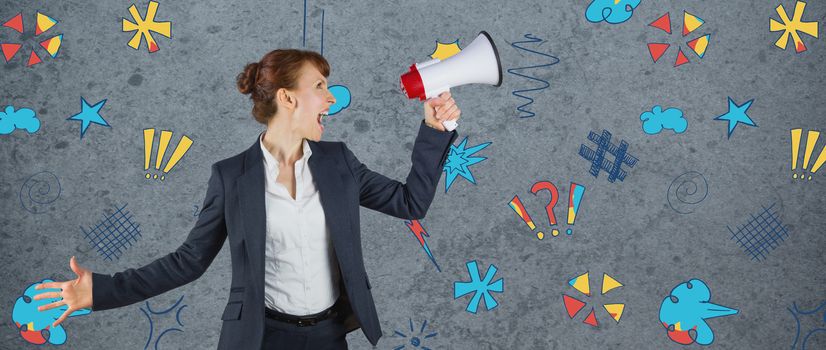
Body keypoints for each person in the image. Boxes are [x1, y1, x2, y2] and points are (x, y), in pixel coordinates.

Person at [33, 49, 460, 349]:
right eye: (320, 86)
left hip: (330, 336)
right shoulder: (231, 176)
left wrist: (435, 131)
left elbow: (410, 203)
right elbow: (189, 261)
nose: (331, 97)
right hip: (260, 338)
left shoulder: (339, 162)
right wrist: (101, 291)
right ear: (288, 98)